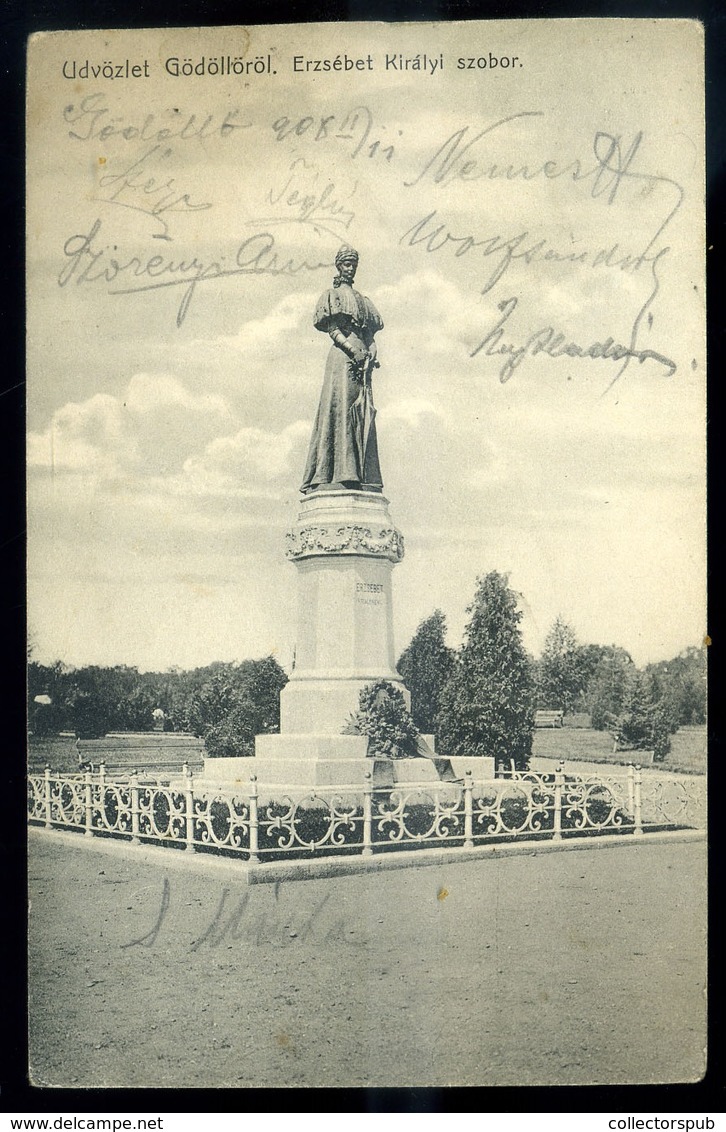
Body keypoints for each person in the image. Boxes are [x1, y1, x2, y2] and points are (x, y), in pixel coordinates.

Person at [301, 245, 384, 493]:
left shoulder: (364, 301)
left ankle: (361, 474)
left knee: (362, 413)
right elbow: (333, 330)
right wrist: (352, 350)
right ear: (339, 266)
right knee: (339, 410)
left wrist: (369, 354)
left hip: (362, 364)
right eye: (346, 264)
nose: (350, 269)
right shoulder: (332, 295)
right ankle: (337, 473)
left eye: (353, 265)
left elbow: (370, 336)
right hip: (342, 358)